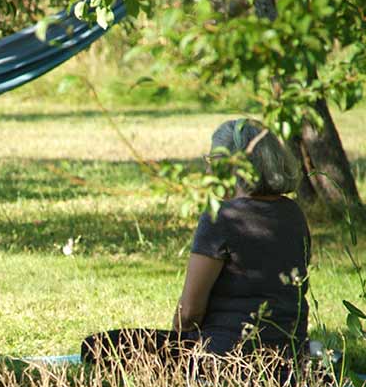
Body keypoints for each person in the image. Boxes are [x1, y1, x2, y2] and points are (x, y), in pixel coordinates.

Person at [82, 119, 310, 367]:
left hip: (223, 356)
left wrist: (176, 351)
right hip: (287, 355)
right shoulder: (294, 213)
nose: (208, 170)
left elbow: (189, 313)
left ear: (230, 166)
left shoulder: (222, 216)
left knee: (97, 346)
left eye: (212, 161)